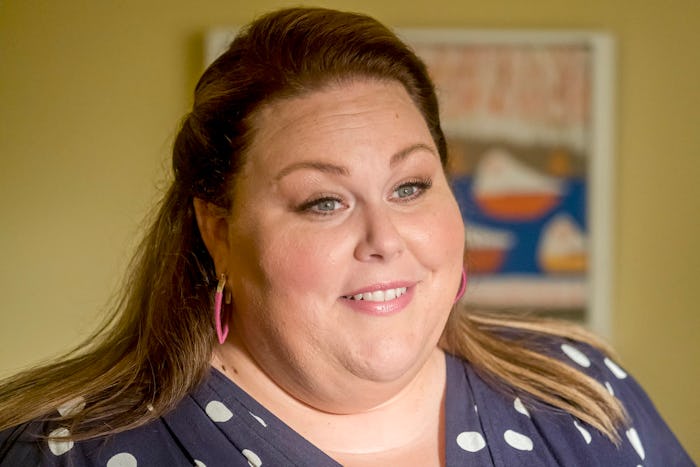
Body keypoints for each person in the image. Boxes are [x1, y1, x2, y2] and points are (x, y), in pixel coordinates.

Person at [0, 7, 692, 467]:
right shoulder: (60, 453)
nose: (384, 238)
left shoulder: (585, 393)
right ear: (219, 230)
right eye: (323, 201)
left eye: (411, 187)